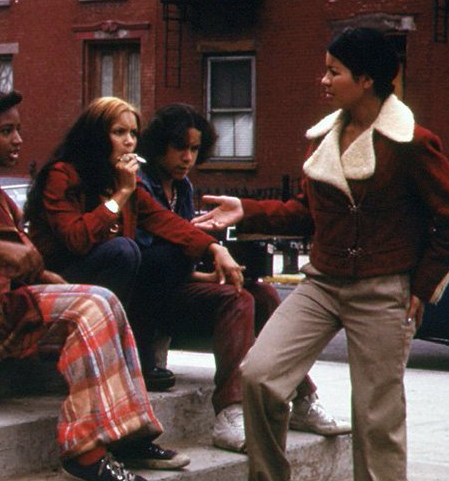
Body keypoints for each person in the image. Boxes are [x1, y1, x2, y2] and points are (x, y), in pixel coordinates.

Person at [192, 28, 449, 481]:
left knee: (375, 419)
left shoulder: (412, 142)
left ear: (365, 79)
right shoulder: (328, 137)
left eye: (333, 71)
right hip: (322, 282)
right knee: (260, 375)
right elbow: (308, 213)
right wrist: (246, 211)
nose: (323, 81)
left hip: (382, 290)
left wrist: (421, 287)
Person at [0, 90, 191, 481]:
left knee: (104, 300)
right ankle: (85, 454)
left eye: (18, 129)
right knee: (91, 305)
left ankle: (129, 434)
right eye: (6, 131)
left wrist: (43, 273)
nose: (18, 139)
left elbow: (19, 258)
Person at [133, 103, 350, 453]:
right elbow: (154, 259)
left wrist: (211, 276)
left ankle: (303, 398)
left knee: (260, 294)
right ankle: (229, 412)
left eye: (194, 148)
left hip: (179, 288)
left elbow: (184, 261)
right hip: (149, 303)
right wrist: (211, 258)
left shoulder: (183, 188)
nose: (188, 157)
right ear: (159, 144)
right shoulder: (140, 185)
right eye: (180, 147)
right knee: (237, 299)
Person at [22, 96, 248, 417]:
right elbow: (75, 238)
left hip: (102, 288)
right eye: (118, 132)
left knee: (155, 252)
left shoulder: (120, 178)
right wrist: (121, 195)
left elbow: (167, 222)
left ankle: (126, 357)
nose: (129, 141)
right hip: (59, 282)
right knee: (125, 251)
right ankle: (102, 355)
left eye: (133, 133)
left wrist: (214, 248)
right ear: (96, 135)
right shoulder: (64, 174)